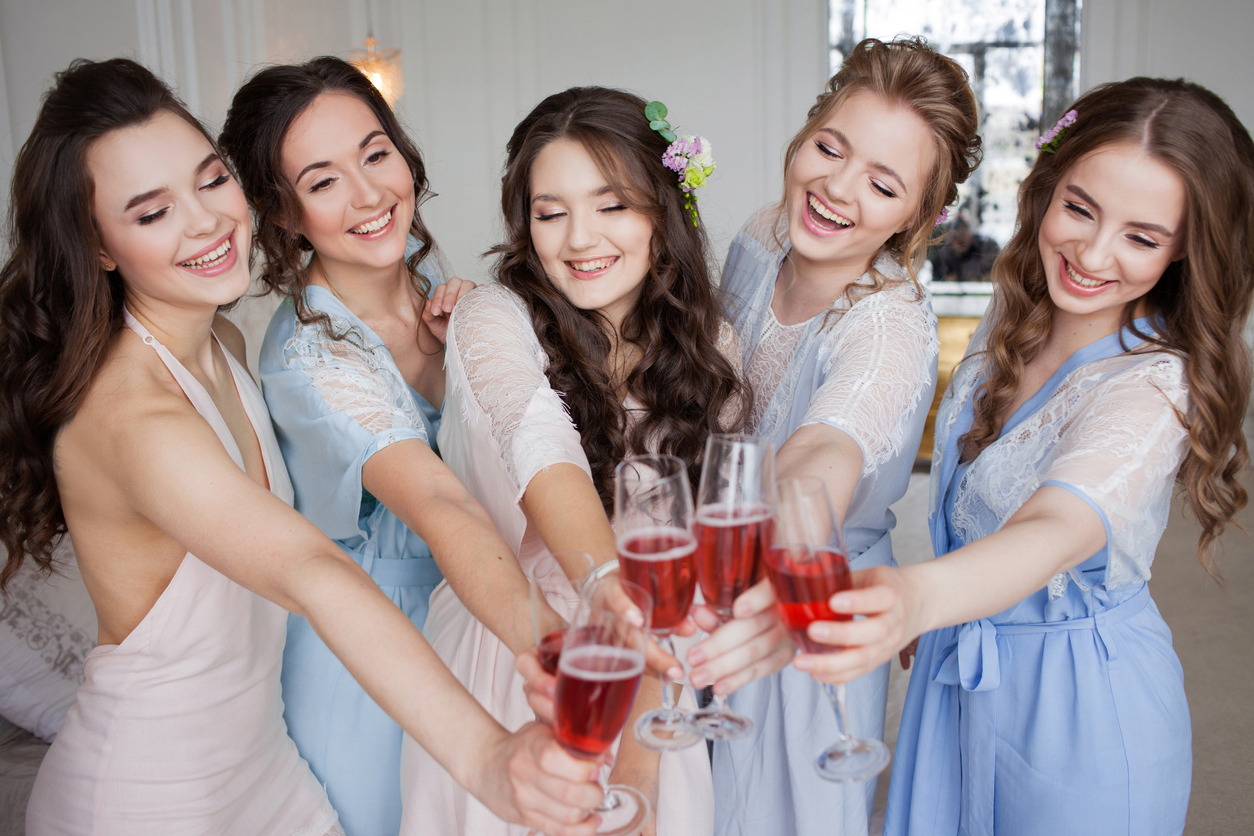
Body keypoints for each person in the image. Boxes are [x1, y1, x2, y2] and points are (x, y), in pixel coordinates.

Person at [0, 57, 603, 836]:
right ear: (99, 246)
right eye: (152, 213)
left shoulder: (213, 338)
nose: (207, 222)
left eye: (209, 182)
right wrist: (489, 757)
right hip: (151, 792)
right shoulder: (133, 417)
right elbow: (315, 569)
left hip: (266, 766)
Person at [805, 78, 1254, 836]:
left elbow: (1055, 525)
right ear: (1046, 190)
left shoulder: (1155, 385)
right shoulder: (1016, 316)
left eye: (1142, 238)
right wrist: (945, 601)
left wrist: (920, 595)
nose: (1091, 252)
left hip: (1080, 713)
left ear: (1186, 252)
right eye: (1079, 208)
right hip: (958, 680)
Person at [402, 86, 754, 836]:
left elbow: (684, 574)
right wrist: (601, 585)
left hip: (655, 675)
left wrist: (638, 768)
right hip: (517, 657)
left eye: (612, 205)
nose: (579, 238)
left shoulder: (710, 347)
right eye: (550, 211)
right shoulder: (493, 315)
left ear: (663, 211)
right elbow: (540, 444)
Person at [218, 56, 556, 836]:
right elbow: (439, 502)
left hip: (479, 602)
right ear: (281, 211)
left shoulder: (424, 272)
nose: (371, 195)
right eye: (323, 179)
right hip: (372, 644)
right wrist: (557, 646)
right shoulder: (309, 356)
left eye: (376, 154)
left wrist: (473, 339)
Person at [688, 37, 981, 836]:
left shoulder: (890, 326)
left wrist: (786, 580)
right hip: (711, 580)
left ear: (917, 216)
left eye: (883, 184)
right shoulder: (760, 235)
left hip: (810, 603)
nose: (836, 188)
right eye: (829, 148)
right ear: (806, 131)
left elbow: (822, 457)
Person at [930, 215, 999, 281]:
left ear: (969, 231)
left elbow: (994, 275)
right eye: (955, 237)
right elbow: (945, 278)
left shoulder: (986, 246)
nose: (960, 240)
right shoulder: (946, 252)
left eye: (963, 234)